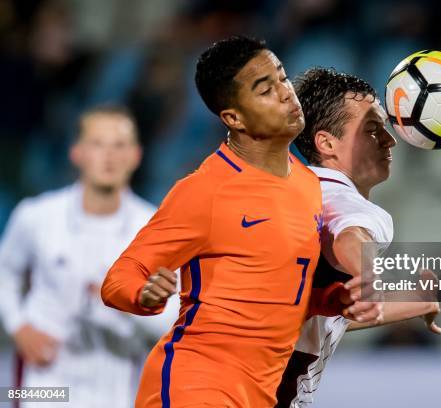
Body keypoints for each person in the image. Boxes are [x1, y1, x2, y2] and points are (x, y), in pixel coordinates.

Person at [101, 36, 380, 408]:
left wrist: (334, 300)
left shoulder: (306, 184)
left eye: (283, 78)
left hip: (258, 394)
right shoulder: (206, 192)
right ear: (234, 118)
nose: (285, 94)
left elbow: (280, 291)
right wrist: (144, 294)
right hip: (195, 386)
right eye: (266, 90)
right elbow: (119, 278)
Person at [276, 68, 441, 407]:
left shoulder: (295, 192)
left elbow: (319, 316)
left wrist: (415, 300)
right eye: (372, 130)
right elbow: (349, 235)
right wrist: (368, 272)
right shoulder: (347, 202)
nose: (390, 139)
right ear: (326, 143)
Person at [0, 105, 178, 407]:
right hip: (45, 384)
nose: (109, 156)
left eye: (119, 145)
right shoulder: (36, 215)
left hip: (117, 386)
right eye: (97, 144)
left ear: (136, 155)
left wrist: (127, 301)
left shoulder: (155, 229)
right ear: (77, 153)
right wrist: (18, 326)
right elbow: (5, 273)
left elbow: (173, 320)